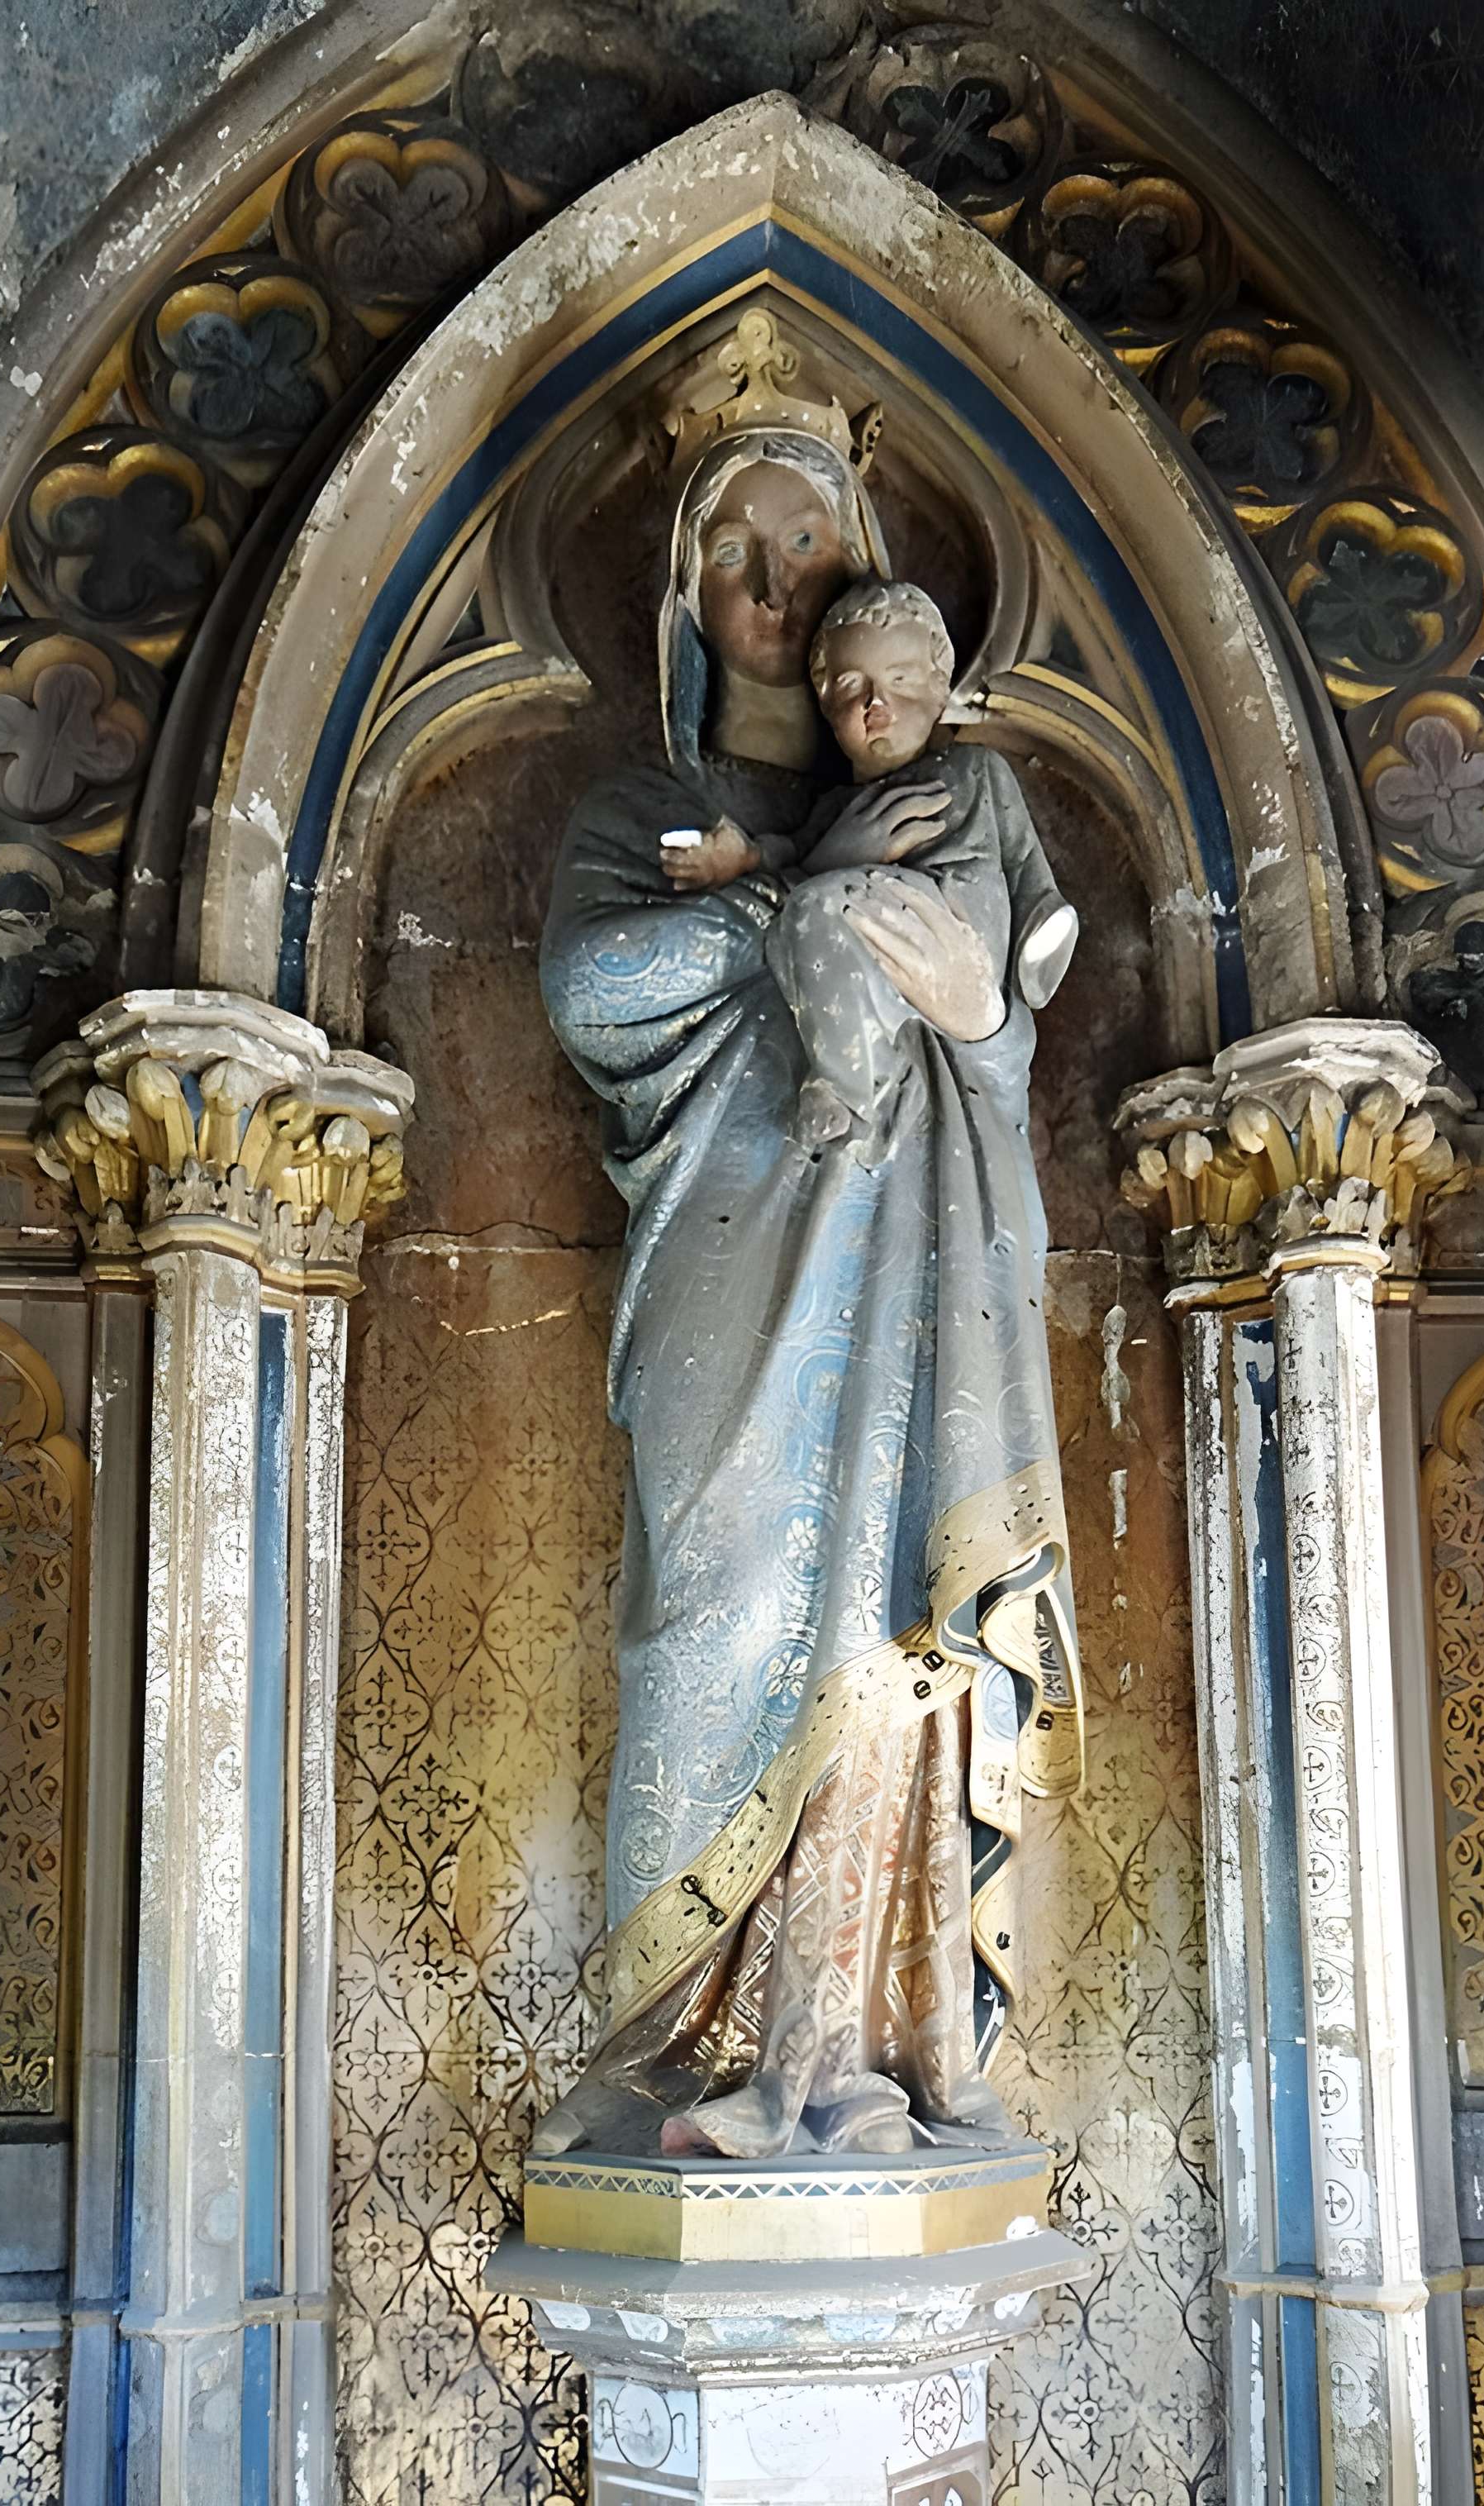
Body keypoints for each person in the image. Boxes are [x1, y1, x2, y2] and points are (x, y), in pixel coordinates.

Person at [535, 412, 1081, 2162]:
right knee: (718, 1608)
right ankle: (687, 2049)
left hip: (918, 1273)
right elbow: (593, 987)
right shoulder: (645, 812)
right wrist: (803, 899)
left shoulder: (946, 801)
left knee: (891, 1640)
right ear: (684, 596)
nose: (774, 589)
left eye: (804, 549)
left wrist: (974, 1009)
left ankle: (858, 2043)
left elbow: (999, 1029)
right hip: (726, 1269)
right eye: (733, 555)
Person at [662, 579, 1077, 1160]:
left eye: (901, 681)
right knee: (807, 915)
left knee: (817, 907)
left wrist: (1044, 929)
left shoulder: (975, 769)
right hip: (869, 935)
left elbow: (1023, 857)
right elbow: (799, 853)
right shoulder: (837, 809)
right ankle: (847, 1088)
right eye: (853, 688)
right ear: (827, 705)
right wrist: (747, 858)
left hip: (961, 926)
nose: (875, 706)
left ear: (939, 686)